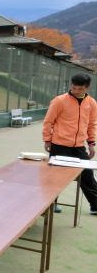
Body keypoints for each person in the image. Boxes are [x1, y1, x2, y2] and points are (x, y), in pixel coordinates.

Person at [43, 73, 97, 214]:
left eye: (80, 89)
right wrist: (47, 140)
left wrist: (91, 143)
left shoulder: (91, 103)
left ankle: (95, 205)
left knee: (87, 175)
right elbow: (48, 121)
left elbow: (91, 124)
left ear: (87, 88)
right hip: (59, 145)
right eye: (74, 88)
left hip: (79, 146)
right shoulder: (59, 101)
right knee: (55, 177)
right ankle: (50, 204)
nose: (76, 91)